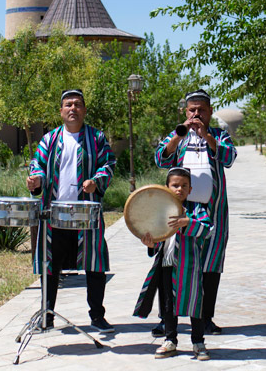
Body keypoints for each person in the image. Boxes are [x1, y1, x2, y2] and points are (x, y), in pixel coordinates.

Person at [26, 89, 116, 333]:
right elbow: (38, 166)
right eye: (68, 105)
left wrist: (96, 180)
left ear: (84, 110)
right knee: (49, 264)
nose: (73, 108)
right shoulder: (50, 139)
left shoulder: (96, 138)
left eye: (77, 104)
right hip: (53, 214)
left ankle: (97, 316)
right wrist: (35, 180)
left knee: (94, 263)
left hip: (86, 214)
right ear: (61, 111)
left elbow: (109, 164)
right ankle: (47, 316)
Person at [153, 89, 236, 337]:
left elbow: (229, 158)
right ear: (185, 112)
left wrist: (207, 137)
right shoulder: (177, 133)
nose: (196, 114)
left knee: (210, 265)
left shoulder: (220, 135)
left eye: (201, 110)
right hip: (177, 210)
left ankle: (206, 318)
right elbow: (160, 158)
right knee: (170, 262)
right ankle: (167, 320)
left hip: (213, 211)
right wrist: (178, 138)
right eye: (192, 110)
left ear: (210, 111)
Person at [134, 168, 213, 361]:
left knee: (195, 303)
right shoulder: (160, 209)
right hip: (167, 263)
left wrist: (188, 223)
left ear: (190, 189)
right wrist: (150, 244)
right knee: (167, 304)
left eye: (184, 186)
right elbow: (154, 234)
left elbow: (208, 230)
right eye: (175, 185)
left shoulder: (197, 209)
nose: (179, 189)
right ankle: (170, 339)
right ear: (167, 187)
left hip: (190, 266)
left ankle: (198, 341)